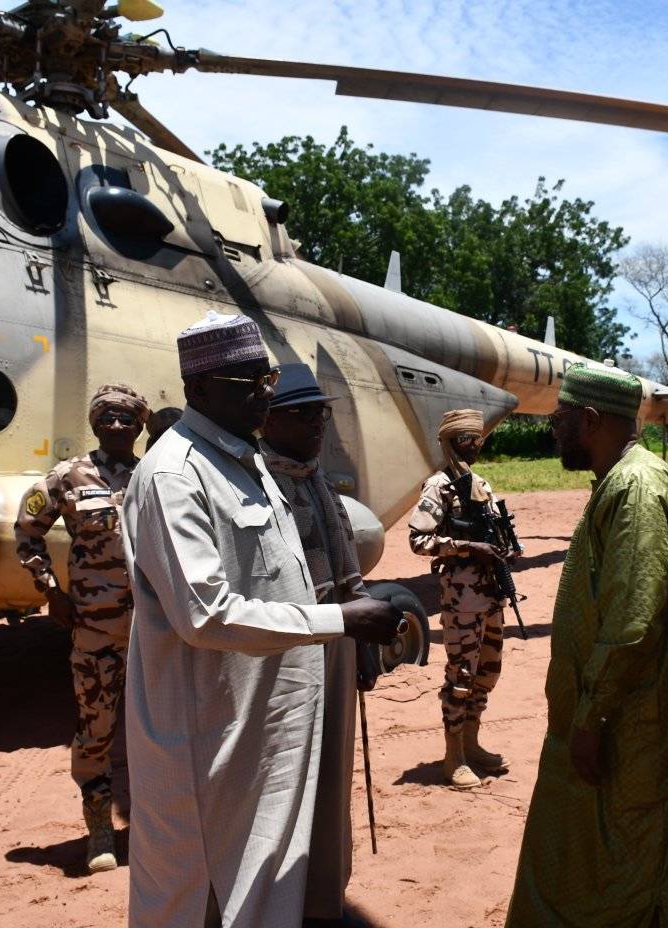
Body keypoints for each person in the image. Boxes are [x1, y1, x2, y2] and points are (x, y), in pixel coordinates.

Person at [121, 311, 401, 928]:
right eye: (247, 380)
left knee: (267, 881)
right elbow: (206, 615)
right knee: (203, 891)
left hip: (266, 724)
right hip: (209, 733)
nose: (266, 391)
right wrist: (341, 620)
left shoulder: (244, 460)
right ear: (199, 389)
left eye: (266, 376)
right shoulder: (174, 475)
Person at [506, 363, 668, 928]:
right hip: (620, 721)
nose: (553, 429)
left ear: (591, 420)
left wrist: (591, 719)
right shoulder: (621, 480)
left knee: (629, 877)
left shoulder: (638, 488)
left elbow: (632, 621)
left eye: (562, 418)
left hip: (632, 731)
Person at [13, 383, 148, 874]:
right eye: (107, 417)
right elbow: (25, 531)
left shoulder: (156, 475)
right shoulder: (68, 477)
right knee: (96, 726)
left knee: (160, 726)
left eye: (126, 418)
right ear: (95, 423)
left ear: (139, 426)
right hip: (95, 628)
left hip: (154, 630)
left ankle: (155, 823)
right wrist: (50, 591)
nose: (116, 425)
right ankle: (99, 831)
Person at [260, 363, 373, 928]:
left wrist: (365, 642)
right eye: (302, 412)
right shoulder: (256, 483)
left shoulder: (316, 479)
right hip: (288, 652)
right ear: (269, 418)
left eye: (320, 411)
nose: (316, 423)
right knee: (286, 777)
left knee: (332, 775)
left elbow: (349, 563)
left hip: (339, 642)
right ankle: (283, 901)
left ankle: (324, 897)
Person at [408, 408, 511, 790]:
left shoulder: (480, 484)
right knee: (462, 676)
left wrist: (502, 550)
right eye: (468, 440)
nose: (475, 446)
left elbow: (497, 534)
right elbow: (419, 540)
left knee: (488, 671)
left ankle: (471, 743)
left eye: (478, 439)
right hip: (462, 597)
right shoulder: (439, 487)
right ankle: (454, 757)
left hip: (491, 593)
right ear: (451, 443)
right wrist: (467, 547)